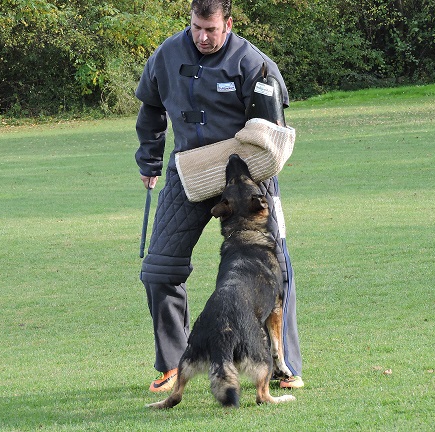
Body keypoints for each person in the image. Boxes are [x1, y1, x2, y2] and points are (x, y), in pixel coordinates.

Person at [134, 0, 303, 392]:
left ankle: (284, 364)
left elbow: (272, 130)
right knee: (159, 270)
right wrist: (149, 160)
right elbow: (151, 110)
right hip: (190, 173)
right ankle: (174, 363)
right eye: (196, 27)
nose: (202, 37)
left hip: (247, 181)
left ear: (228, 23)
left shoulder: (253, 63)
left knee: (276, 266)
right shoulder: (166, 55)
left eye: (211, 29)